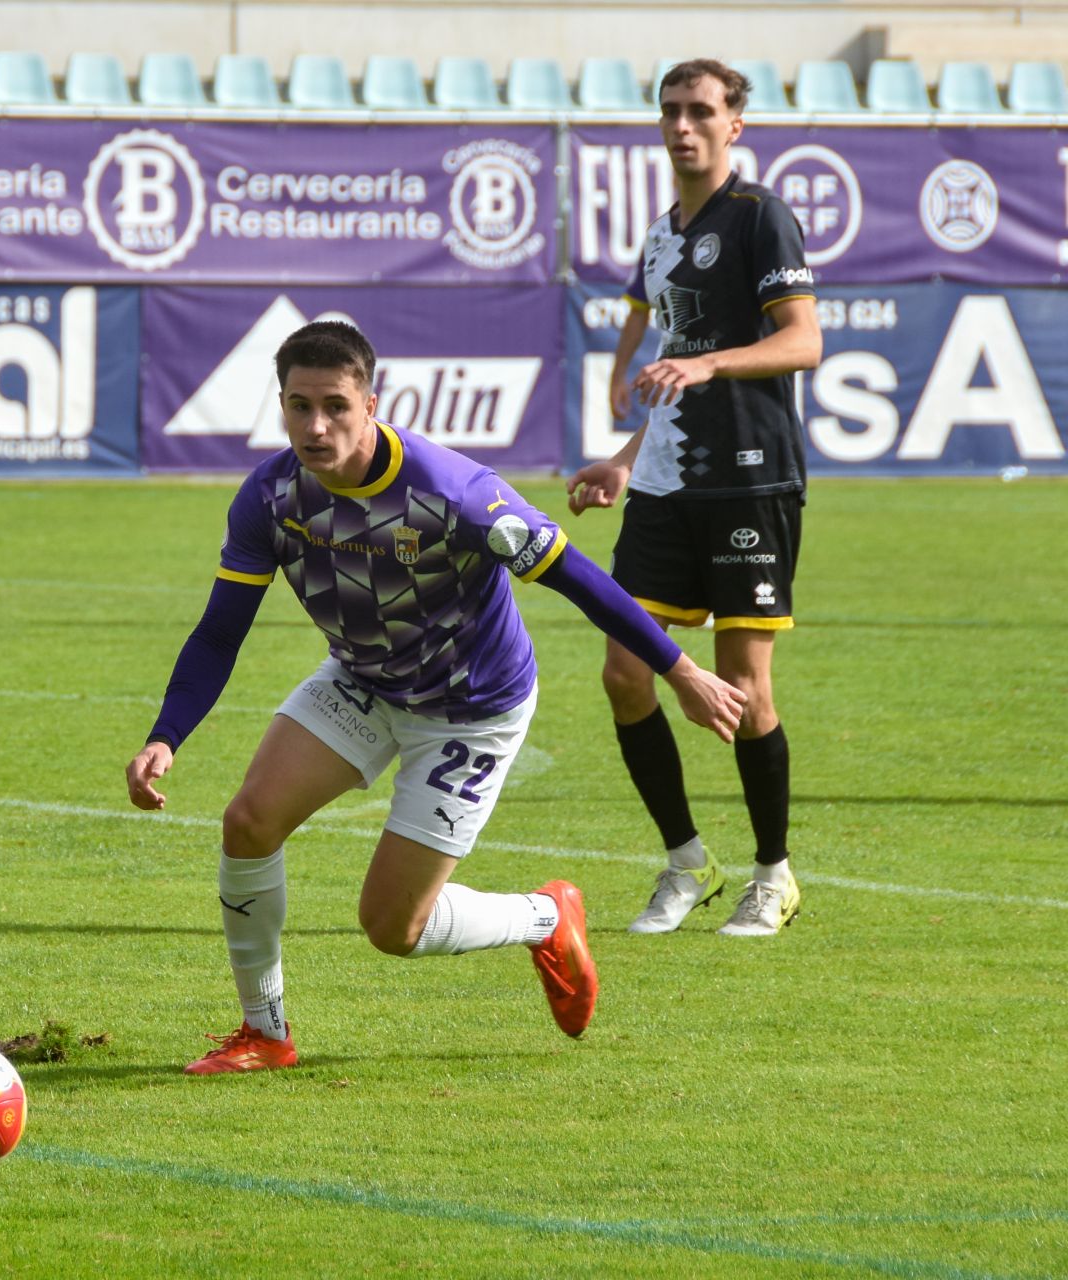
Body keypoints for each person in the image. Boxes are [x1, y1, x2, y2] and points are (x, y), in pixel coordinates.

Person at [126, 321, 746, 1074]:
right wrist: (167, 735)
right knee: (249, 823)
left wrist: (681, 670)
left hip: (471, 709)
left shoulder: (456, 492)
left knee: (393, 927)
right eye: (298, 406)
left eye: (335, 406)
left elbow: (580, 579)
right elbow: (221, 631)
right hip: (363, 681)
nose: (315, 426)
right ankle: (265, 1032)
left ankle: (548, 917)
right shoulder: (270, 495)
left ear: (371, 404)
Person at [568, 59, 822, 938]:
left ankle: (772, 875)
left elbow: (804, 342)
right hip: (665, 485)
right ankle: (687, 862)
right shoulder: (661, 236)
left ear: (734, 125)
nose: (684, 125)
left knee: (748, 689)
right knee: (624, 671)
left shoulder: (760, 217)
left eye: (702, 111)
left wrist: (709, 362)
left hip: (751, 480)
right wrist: (624, 460)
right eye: (672, 110)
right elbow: (676, 362)